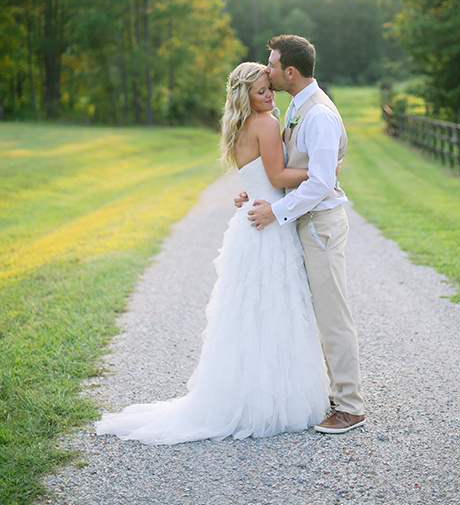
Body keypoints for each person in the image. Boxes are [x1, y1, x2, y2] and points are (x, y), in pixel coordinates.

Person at [95, 62, 330, 444]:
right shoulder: (268, 124)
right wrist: (323, 170)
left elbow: (255, 178)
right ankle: (270, 402)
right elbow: (277, 178)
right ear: (246, 97)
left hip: (250, 223)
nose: (269, 96)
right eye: (261, 92)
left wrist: (250, 193)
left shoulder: (238, 125)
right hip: (268, 226)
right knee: (273, 310)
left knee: (250, 315)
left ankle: (246, 395)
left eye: (269, 88)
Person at [245, 35, 365, 434]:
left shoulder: (319, 115)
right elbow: (291, 165)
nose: (268, 70)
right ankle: (335, 393)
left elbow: (320, 184)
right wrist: (258, 192)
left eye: (273, 65)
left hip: (321, 226)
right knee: (316, 313)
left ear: (290, 72)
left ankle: (350, 405)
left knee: (333, 316)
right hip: (304, 223)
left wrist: (276, 210)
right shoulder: (297, 106)